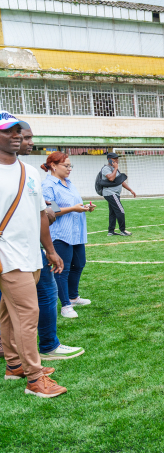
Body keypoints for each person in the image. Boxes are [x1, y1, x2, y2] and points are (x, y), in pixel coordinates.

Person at [0, 112, 67, 397]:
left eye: (19, 130)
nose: (16, 135)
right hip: (7, 256)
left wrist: (50, 251)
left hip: (31, 254)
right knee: (28, 315)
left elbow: (41, 214)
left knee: (6, 312)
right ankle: (34, 378)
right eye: (9, 131)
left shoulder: (30, 172)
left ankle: (14, 364)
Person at [42, 152, 94, 319]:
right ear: (54, 166)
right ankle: (65, 305)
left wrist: (85, 207)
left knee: (79, 264)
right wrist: (73, 208)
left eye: (71, 166)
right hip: (60, 233)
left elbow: (73, 204)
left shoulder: (69, 183)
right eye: (66, 166)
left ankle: (73, 297)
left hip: (76, 231)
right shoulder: (48, 186)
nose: (69, 169)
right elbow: (51, 212)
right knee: (61, 268)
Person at [101, 152, 136, 237]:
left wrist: (130, 190)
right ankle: (123, 230)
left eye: (117, 158)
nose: (117, 160)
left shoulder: (114, 169)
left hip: (114, 193)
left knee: (113, 212)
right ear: (109, 159)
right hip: (110, 193)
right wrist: (116, 168)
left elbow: (121, 181)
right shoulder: (106, 168)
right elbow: (111, 178)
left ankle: (111, 231)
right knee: (120, 210)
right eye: (114, 159)